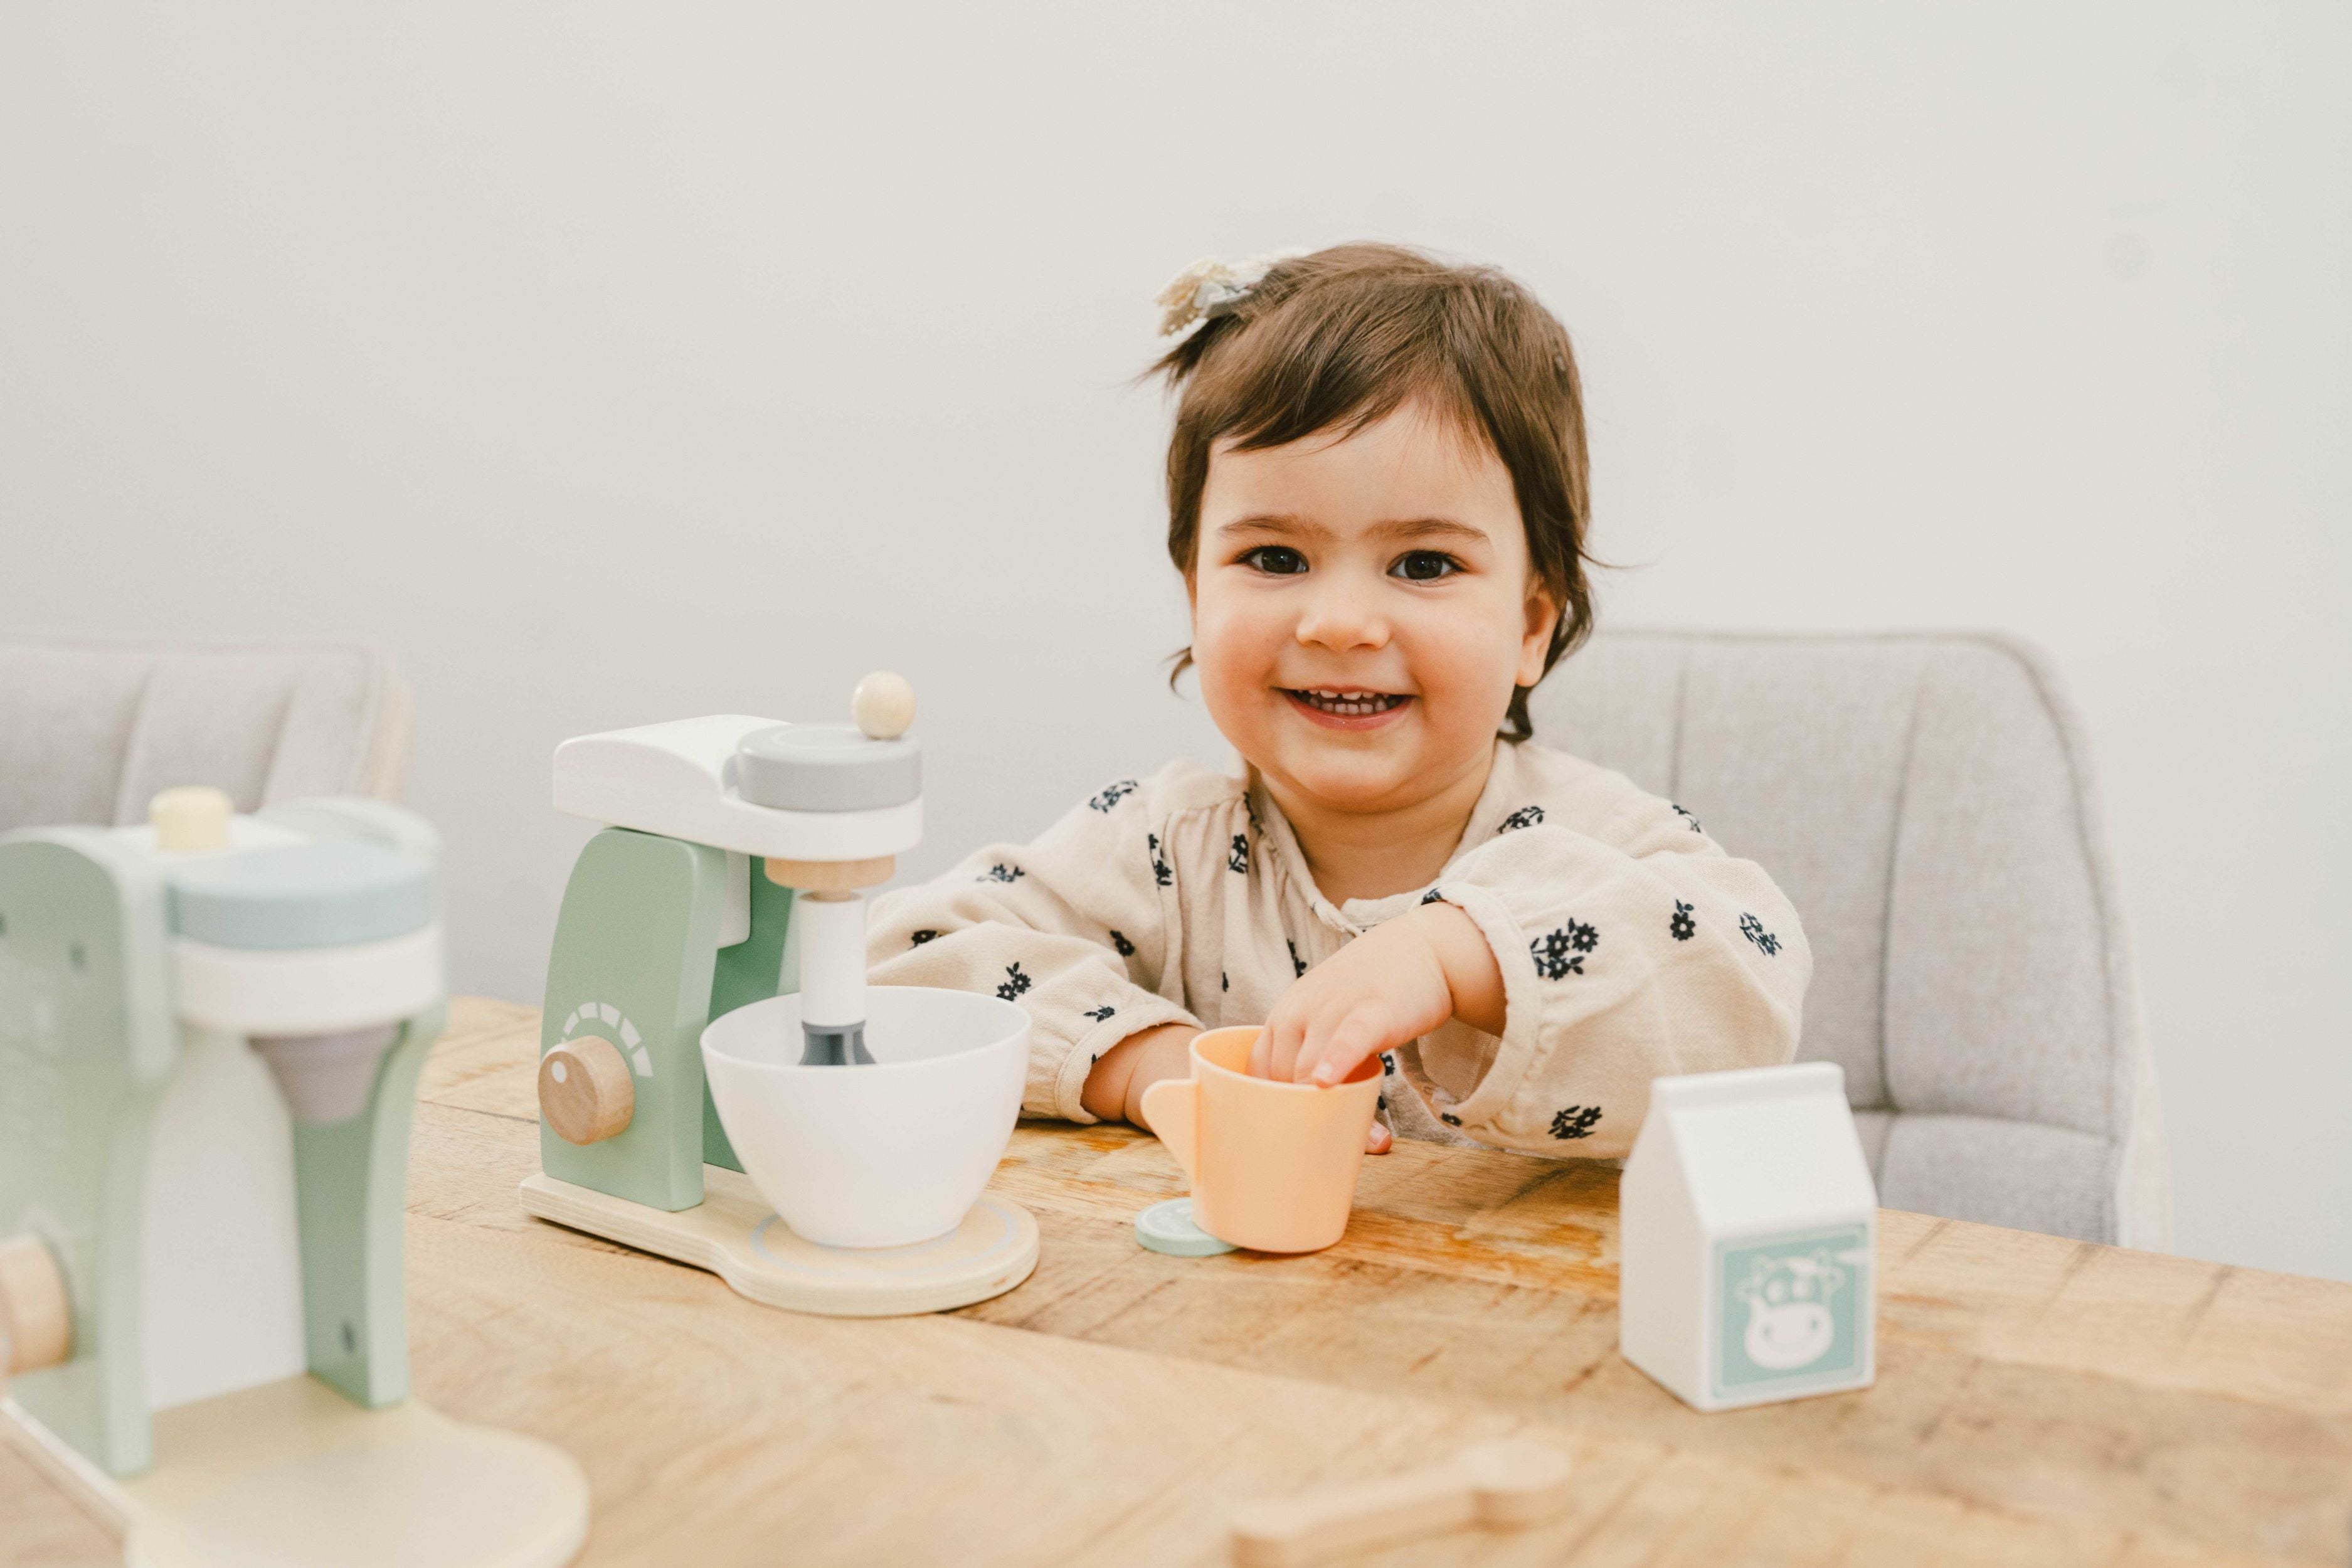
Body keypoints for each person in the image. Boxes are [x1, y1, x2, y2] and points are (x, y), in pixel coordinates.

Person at [868, 243, 1809, 1158]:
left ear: (1530, 626)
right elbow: (906, 954)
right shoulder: (1161, 850)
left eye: (1423, 564)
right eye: (1274, 559)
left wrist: (1454, 958)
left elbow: (1746, 984)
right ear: (1196, 596)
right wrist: (1148, 1064)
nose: (1340, 623)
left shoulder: (1594, 846)